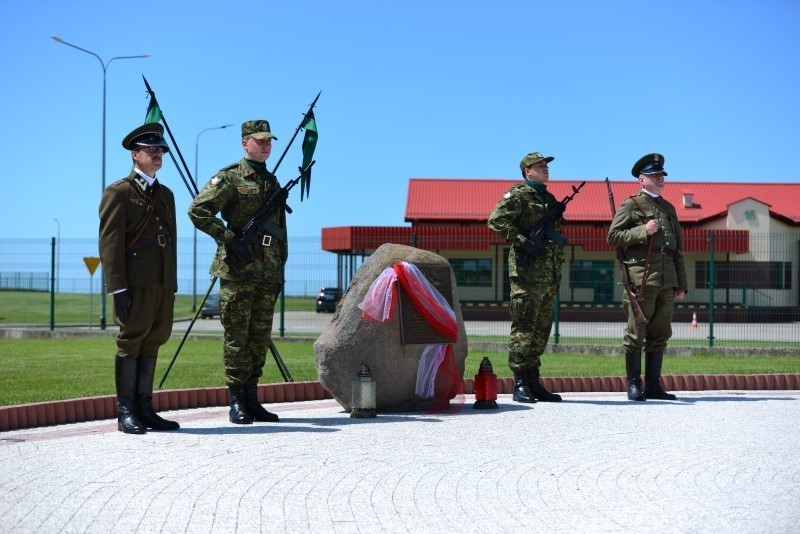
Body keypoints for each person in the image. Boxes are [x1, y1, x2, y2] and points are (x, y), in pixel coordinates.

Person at [188, 120, 287, 424]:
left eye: (269, 141)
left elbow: (280, 230)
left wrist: (280, 268)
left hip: (267, 274)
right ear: (245, 143)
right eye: (260, 141)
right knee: (237, 338)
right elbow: (198, 210)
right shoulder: (229, 177)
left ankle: (252, 398)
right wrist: (227, 237)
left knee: (259, 338)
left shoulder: (272, 182)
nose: (266, 146)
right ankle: (236, 402)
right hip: (238, 270)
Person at [99, 123, 180, 434]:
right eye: (151, 150)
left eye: (160, 150)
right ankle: (126, 411)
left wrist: (170, 284)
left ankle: (146, 409)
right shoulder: (118, 192)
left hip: (161, 282)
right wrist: (117, 287)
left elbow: (169, 241)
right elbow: (110, 242)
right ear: (135, 154)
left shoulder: (167, 195)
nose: (157, 154)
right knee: (131, 340)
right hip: (134, 281)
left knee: (155, 339)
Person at [607, 153, 688, 401]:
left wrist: (681, 282)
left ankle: (653, 385)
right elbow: (613, 236)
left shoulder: (669, 208)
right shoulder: (632, 204)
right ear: (642, 180)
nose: (660, 178)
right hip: (642, 278)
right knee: (637, 332)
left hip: (667, 279)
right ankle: (634, 384)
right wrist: (643, 230)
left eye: (662, 175)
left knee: (660, 332)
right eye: (655, 175)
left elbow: (677, 248)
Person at [487, 152, 564, 403]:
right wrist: (522, 241)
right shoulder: (517, 196)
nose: (545, 169)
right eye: (539, 166)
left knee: (541, 330)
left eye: (546, 166)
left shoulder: (550, 199)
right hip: (526, 273)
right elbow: (496, 221)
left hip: (548, 275)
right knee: (524, 328)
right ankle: (519, 382)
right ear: (527, 171)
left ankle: (533, 381)